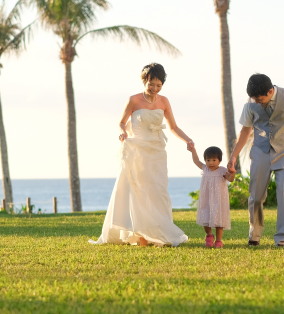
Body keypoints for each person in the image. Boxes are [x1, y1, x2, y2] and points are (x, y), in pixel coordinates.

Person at [90, 63, 194, 247]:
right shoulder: (133, 100)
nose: (154, 89)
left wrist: (187, 140)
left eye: (159, 85)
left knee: (157, 190)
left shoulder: (164, 101)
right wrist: (123, 133)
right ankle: (139, 234)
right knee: (137, 190)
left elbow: (173, 127)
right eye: (151, 84)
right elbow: (122, 122)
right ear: (144, 81)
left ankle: (157, 232)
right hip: (137, 149)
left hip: (157, 152)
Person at [227, 74, 284, 248]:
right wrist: (233, 156)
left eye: (260, 99)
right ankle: (254, 234)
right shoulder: (250, 103)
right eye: (254, 99)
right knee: (256, 197)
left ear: (270, 91)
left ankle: (282, 239)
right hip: (260, 151)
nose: (257, 102)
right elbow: (245, 131)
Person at [190, 145, 234, 248]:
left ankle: (219, 240)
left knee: (219, 221)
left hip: (219, 200)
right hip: (207, 200)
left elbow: (230, 179)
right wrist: (193, 150)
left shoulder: (222, 170)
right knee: (205, 218)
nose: (211, 163)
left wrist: (232, 173)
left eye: (214, 160)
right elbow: (196, 160)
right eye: (208, 160)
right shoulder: (205, 169)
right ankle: (209, 235)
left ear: (219, 160)